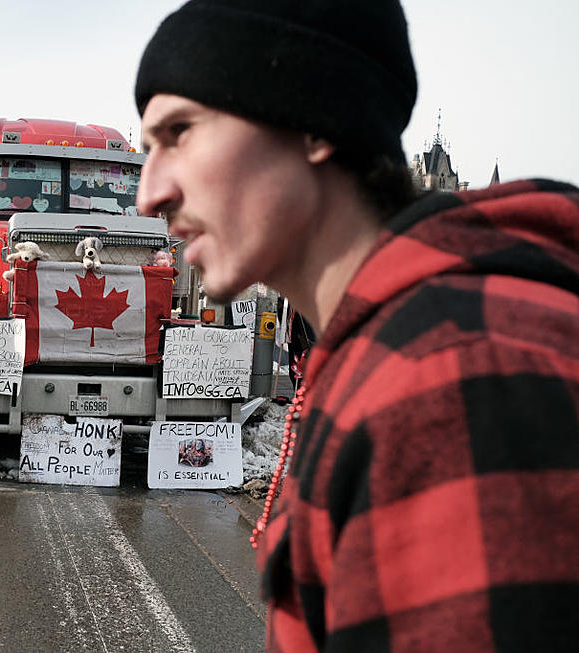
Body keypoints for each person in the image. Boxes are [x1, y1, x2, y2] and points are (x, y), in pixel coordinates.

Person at [134, 1, 579, 651]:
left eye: (180, 132)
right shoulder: (393, 349)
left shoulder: (447, 382)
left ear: (316, 121)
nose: (150, 191)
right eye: (147, 148)